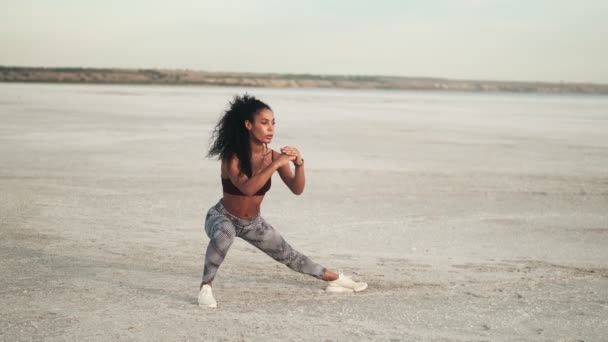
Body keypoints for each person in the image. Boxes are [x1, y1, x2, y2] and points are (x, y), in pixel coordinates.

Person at [198, 94, 367, 308]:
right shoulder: (232, 156)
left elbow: (297, 189)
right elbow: (247, 188)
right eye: (264, 123)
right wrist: (277, 164)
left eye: (273, 123)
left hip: (253, 223)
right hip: (222, 216)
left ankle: (338, 280)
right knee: (225, 235)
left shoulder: (275, 157)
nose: (270, 129)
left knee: (290, 256)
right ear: (248, 125)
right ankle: (206, 288)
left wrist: (298, 163)